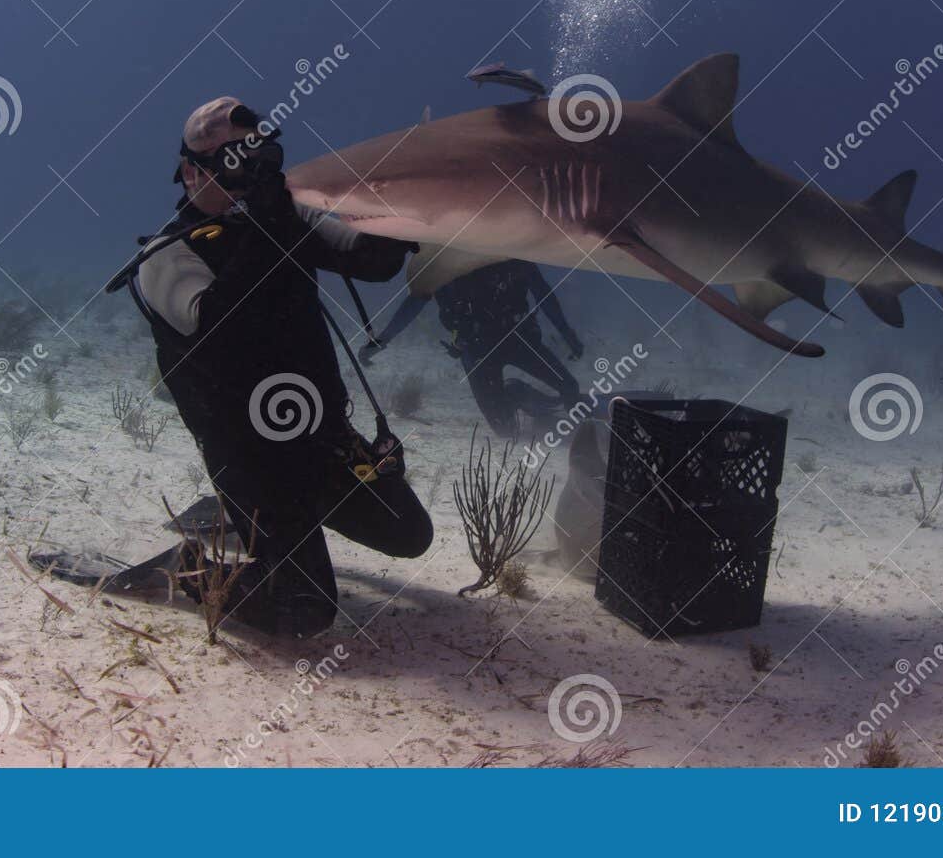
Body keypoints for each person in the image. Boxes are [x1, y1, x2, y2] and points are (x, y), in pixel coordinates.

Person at [73, 98, 432, 639]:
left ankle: (254, 527)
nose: (250, 178)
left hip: (321, 437)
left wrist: (402, 215)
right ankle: (190, 564)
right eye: (234, 164)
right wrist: (269, 223)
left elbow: (373, 263)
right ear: (192, 172)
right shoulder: (167, 256)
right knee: (305, 608)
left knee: (410, 534)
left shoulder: (286, 217)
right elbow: (215, 328)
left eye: (258, 159)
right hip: (253, 456)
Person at [363, 259, 583, 437]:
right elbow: (416, 300)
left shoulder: (511, 253)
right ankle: (517, 393)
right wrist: (382, 340)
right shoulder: (444, 263)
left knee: (570, 388)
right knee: (505, 429)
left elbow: (544, 295)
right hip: (477, 349)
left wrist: (567, 333)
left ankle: (538, 404)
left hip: (519, 337)